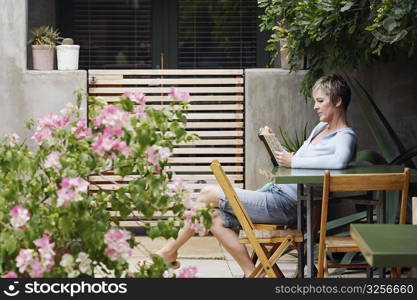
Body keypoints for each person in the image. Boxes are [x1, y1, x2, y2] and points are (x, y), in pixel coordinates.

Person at [156, 74, 358, 277]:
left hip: (289, 205)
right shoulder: (320, 128)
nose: (315, 106)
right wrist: (274, 144)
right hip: (275, 193)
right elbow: (298, 162)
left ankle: (168, 251)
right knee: (211, 216)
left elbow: (339, 162)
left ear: (338, 101)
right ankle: (252, 272)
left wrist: (294, 161)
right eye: (315, 100)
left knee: (207, 193)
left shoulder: (345, 136)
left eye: (320, 101)